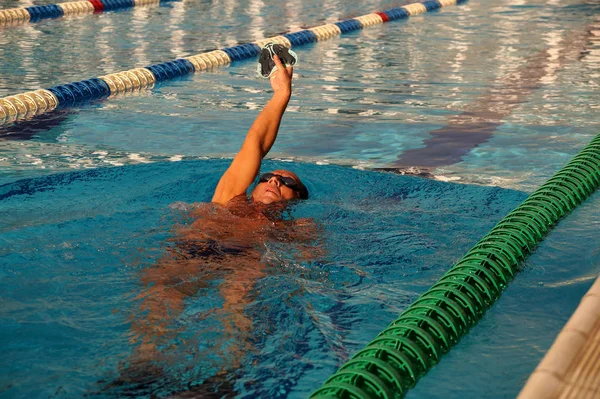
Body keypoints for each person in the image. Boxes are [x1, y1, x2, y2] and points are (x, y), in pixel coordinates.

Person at [211, 54, 308, 208]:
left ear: (297, 199)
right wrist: (282, 93)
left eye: (287, 182)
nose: (273, 180)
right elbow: (255, 143)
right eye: (266, 177)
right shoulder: (228, 202)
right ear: (252, 190)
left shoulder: (296, 229)